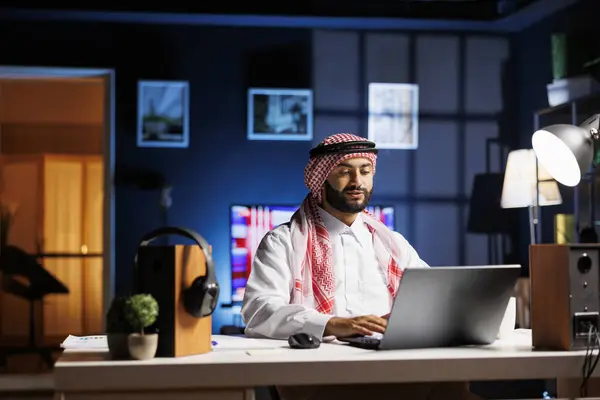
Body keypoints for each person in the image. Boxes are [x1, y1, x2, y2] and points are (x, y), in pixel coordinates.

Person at [241, 133, 481, 400]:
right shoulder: (283, 241)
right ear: (320, 179)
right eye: (344, 172)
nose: (357, 182)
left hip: (392, 365)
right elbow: (259, 311)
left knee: (454, 383)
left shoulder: (392, 243)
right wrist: (332, 324)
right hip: (317, 374)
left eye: (365, 171)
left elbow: (433, 295)